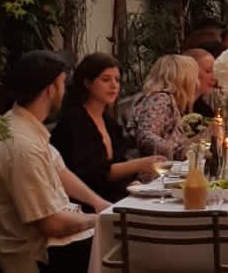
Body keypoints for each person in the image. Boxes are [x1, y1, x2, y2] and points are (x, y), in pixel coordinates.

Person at [0, 51, 109, 273]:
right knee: (129, 250)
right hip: (36, 256)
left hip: (50, 243)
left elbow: (61, 171)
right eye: (63, 83)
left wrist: (100, 203)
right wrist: (100, 219)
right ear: (51, 88)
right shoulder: (21, 144)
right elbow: (51, 225)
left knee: (129, 241)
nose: (65, 89)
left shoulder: (21, 124)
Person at [52, 53, 159, 205]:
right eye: (106, 79)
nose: (114, 86)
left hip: (115, 199)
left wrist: (133, 184)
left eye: (117, 80)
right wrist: (138, 164)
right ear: (88, 83)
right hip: (86, 204)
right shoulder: (74, 121)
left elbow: (119, 165)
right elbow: (91, 174)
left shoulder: (110, 123)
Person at [133, 53, 201, 158]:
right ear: (183, 80)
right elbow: (145, 135)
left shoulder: (170, 101)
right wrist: (167, 151)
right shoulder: (159, 99)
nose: (197, 83)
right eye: (194, 78)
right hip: (156, 168)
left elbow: (179, 147)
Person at [184, 45, 218, 119]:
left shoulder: (204, 110)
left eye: (215, 72)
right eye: (208, 71)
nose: (214, 78)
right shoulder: (172, 107)